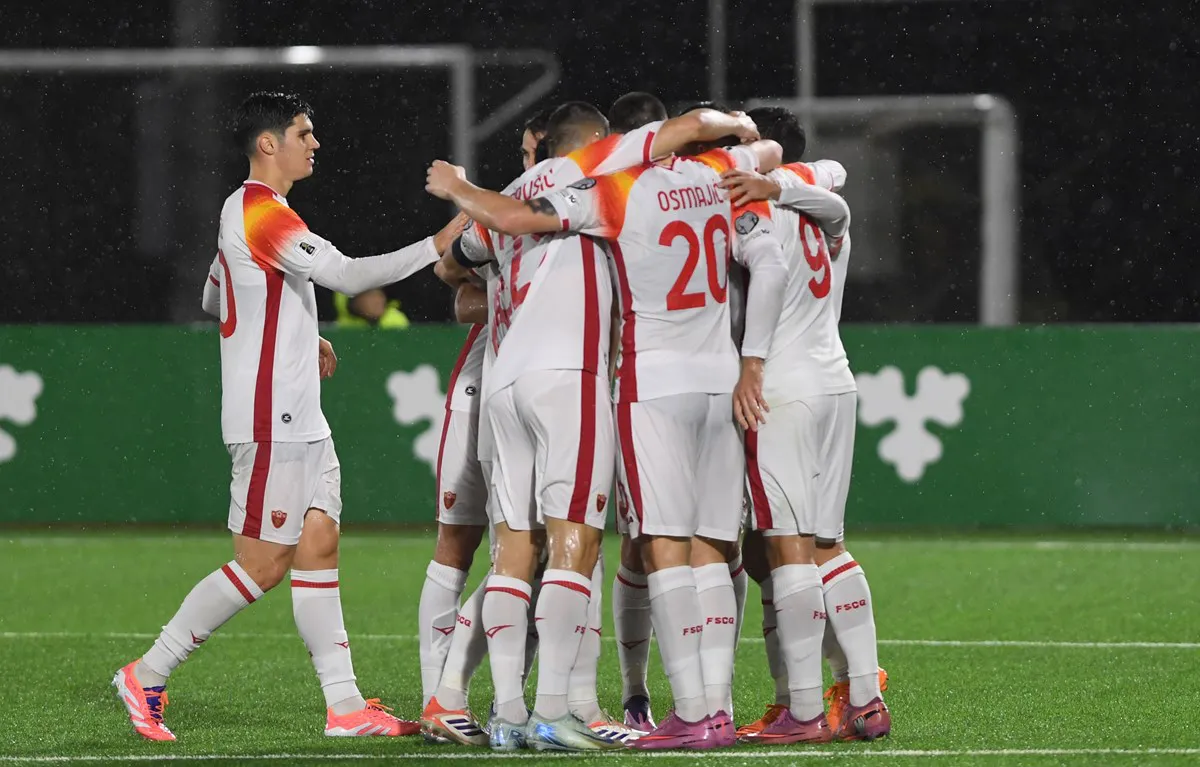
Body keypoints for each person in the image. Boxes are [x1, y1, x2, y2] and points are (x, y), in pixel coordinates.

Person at [112, 91, 462, 741]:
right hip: (269, 419)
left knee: (319, 545)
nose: (315, 143)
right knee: (262, 564)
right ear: (268, 143)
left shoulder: (246, 213)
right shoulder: (260, 212)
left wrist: (298, 331)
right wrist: (438, 241)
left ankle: (345, 707)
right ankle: (147, 671)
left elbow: (215, 293)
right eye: (304, 133)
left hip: (302, 419)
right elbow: (349, 277)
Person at [427, 120, 782, 750]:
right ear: (598, 138)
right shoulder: (615, 181)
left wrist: (461, 190)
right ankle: (560, 710)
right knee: (582, 544)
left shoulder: (524, 193)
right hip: (580, 377)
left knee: (514, 550)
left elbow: (456, 266)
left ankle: (505, 713)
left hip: (503, 379)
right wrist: (741, 130)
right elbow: (733, 141)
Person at [720, 105, 890, 741]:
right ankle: (864, 695)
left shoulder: (755, 205)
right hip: (834, 380)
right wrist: (785, 181)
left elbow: (759, 278)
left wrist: (750, 364)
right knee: (824, 546)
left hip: (780, 388)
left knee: (786, 549)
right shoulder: (818, 199)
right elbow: (836, 192)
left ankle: (803, 710)